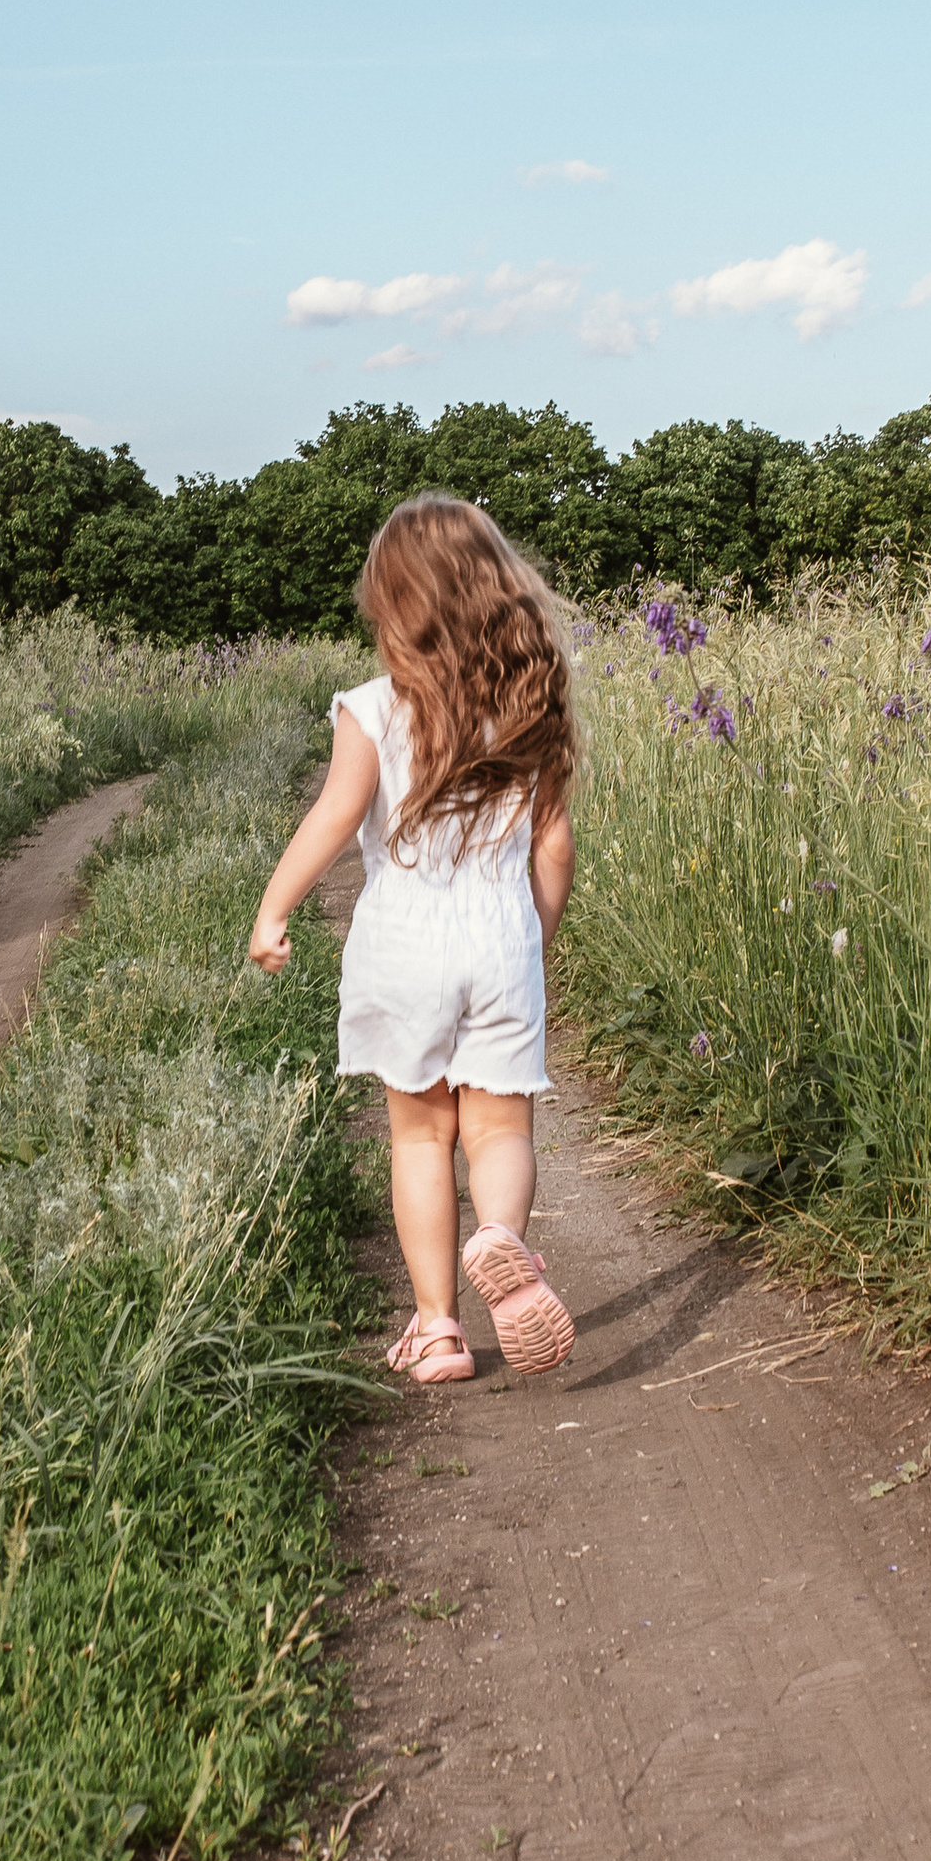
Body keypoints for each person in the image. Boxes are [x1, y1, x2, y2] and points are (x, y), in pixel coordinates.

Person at [249, 492, 577, 1383]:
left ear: (395, 606)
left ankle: (438, 1327)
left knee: (421, 1137)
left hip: (407, 940)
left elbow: (333, 816)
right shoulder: (529, 707)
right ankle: (502, 1239)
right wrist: (533, 941)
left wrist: (275, 907)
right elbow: (552, 847)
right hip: (499, 937)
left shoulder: (374, 709)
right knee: (502, 1128)